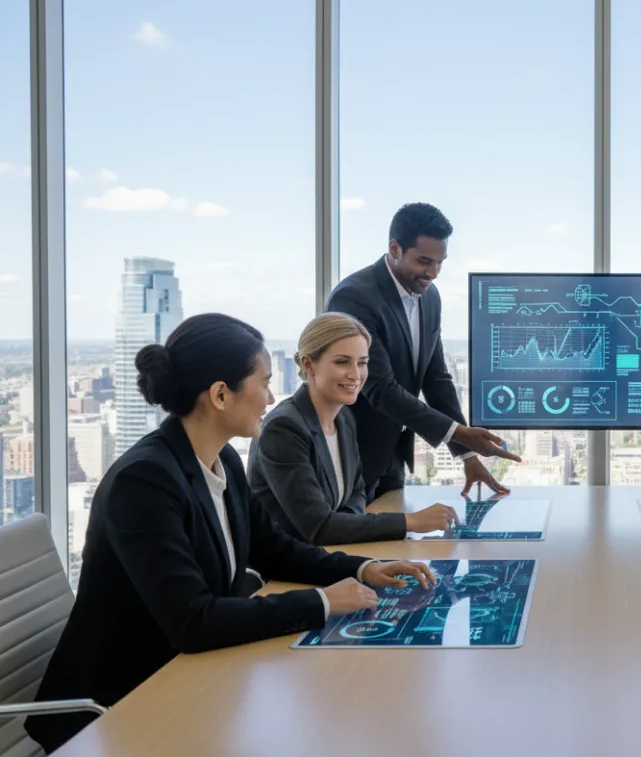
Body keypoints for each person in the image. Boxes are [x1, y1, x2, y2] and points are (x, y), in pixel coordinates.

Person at [27, 313, 435, 753]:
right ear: (221, 395)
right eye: (263, 381)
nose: (271, 395)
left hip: (187, 678)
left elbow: (275, 550)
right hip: (120, 708)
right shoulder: (144, 481)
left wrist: (363, 568)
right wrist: (321, 602)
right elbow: (193, 621)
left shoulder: (222, 462)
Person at [326, 202, 519, 500]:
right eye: (424, 261)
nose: (434, 273)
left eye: (440, 263)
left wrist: (467, 454)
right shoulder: (355, 297)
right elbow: (379, 388)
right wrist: (458, 432)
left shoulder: (430, 298)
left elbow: (435, 377)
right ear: (395, 248)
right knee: (356, 543)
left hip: (392, 456)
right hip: (353, 455)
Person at [248, 312, 459, 545]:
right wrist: (411, 521)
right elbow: (318, 527)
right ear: (308, 364)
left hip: (334, 556)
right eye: (342, 362)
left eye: (362, 362)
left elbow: (356, 494)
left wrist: (344, 528)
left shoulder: (344, 418)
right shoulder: (284, 428)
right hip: (287, 571)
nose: (356, 375)